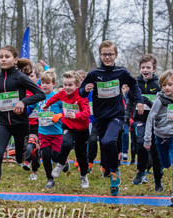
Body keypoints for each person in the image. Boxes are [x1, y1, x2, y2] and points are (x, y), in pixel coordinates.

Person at [0, 45, 45, 208]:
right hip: (3, 124)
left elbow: (40, 94)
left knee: (20, 159)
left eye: (7, 56)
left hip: (20, 124)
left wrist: (23, 102)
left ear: (15, 60)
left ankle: (34, 148)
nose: (3, 59)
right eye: (1, 56)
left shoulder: (20, 78)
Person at [79, 40, 144, 196]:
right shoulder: (94, 74)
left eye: (110, 54)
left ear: (116, 55)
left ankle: (115, 173)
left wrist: (139, 101)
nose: (107, 57)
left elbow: (134, 86)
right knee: (104, 145)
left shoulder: (121, 72)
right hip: (100, 117)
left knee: (109, 141)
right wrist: (85, 89)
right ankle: (110, 170)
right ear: (100, 55)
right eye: (104, 54)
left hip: (116, 115)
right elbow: (81, 92)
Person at [43, 71, 90, 188]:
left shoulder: (81, 96)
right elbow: (55, 97)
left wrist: (76, 115)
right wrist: (46, 105)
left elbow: (87, 112)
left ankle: (83, 175)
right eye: (65, 85)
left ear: (77, 85)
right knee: (65, 143)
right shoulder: (62, 93)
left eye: (70, 85)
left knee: (81, 155)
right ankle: (60, 164)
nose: (67, 88)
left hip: (82, 130)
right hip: (68, 126)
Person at [144, 70, 173, 203]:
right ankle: (168, 160)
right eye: (164, 85)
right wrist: (147, 139)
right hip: (160, 136)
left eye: (169, 85)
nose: (167, 88)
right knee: (166, 163)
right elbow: (150, 118)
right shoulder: (159, 100)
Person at [125, 54, 162, 187]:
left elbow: (161, 105)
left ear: (154, 68)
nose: (145, 70)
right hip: (140, 121)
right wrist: (126, 117)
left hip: (155, 122)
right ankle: (141, 171)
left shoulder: (158, 85)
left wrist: (147, 101)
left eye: (148, 67)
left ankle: (158, 180)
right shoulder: (135, 84)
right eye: (142, 67)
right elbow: (129, 101)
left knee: (155, 151)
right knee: (141, 143)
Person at [27, 69, 63, 188]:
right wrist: (22, 116)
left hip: (56, 132)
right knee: (46, 155)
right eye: (43, 83)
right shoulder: (38, 96)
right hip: (43, 132)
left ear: (53, 84)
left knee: (55, 155)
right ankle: (49, 178)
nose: (45, 85)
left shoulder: (57, 97)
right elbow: (30, 108)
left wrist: (58, 116)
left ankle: (63, 161)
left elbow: (65, 111)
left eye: (48, 83)